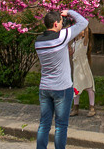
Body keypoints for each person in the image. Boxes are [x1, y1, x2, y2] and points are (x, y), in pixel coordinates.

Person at [35, 9, 88, 149]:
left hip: (45, 87)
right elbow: (84, 23)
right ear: (55, 23)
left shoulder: (38, 42)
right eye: (60, 21)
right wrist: (69, 12)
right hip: (62, 88)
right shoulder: (62, 37)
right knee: (60, 126)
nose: (61, 24)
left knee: (44, 124)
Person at [70, 27, 96, 116]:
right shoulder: (74, 43)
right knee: (76, 87)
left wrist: (84, 24)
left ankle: (92, 107)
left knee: (89, 86)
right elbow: (71, 52)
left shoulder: (84, 42)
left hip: (84, 67)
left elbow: (87, 32)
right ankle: (75, 107)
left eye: (81, 30)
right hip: (77, 68)